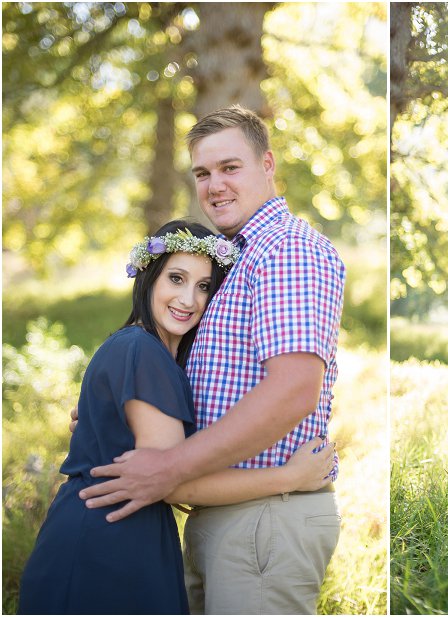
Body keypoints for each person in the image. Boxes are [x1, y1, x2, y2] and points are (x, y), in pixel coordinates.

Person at [78, 106, 346, 615]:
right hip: (224, 511)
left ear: (267, 165)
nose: (214, 185)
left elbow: (293, 390)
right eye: (202, 173)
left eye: (230, 167)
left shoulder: (286, 249)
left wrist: (168, 467)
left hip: (266, 518)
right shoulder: (233, 258)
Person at [18, 221, 336, 615]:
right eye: (177, 278)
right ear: (149, 277)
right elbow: (170, 483)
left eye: (204, 286)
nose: (188, 299)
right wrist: (288, 478)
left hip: (132, 533)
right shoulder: (141, 350)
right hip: (103, 543)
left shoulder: (160, 358)